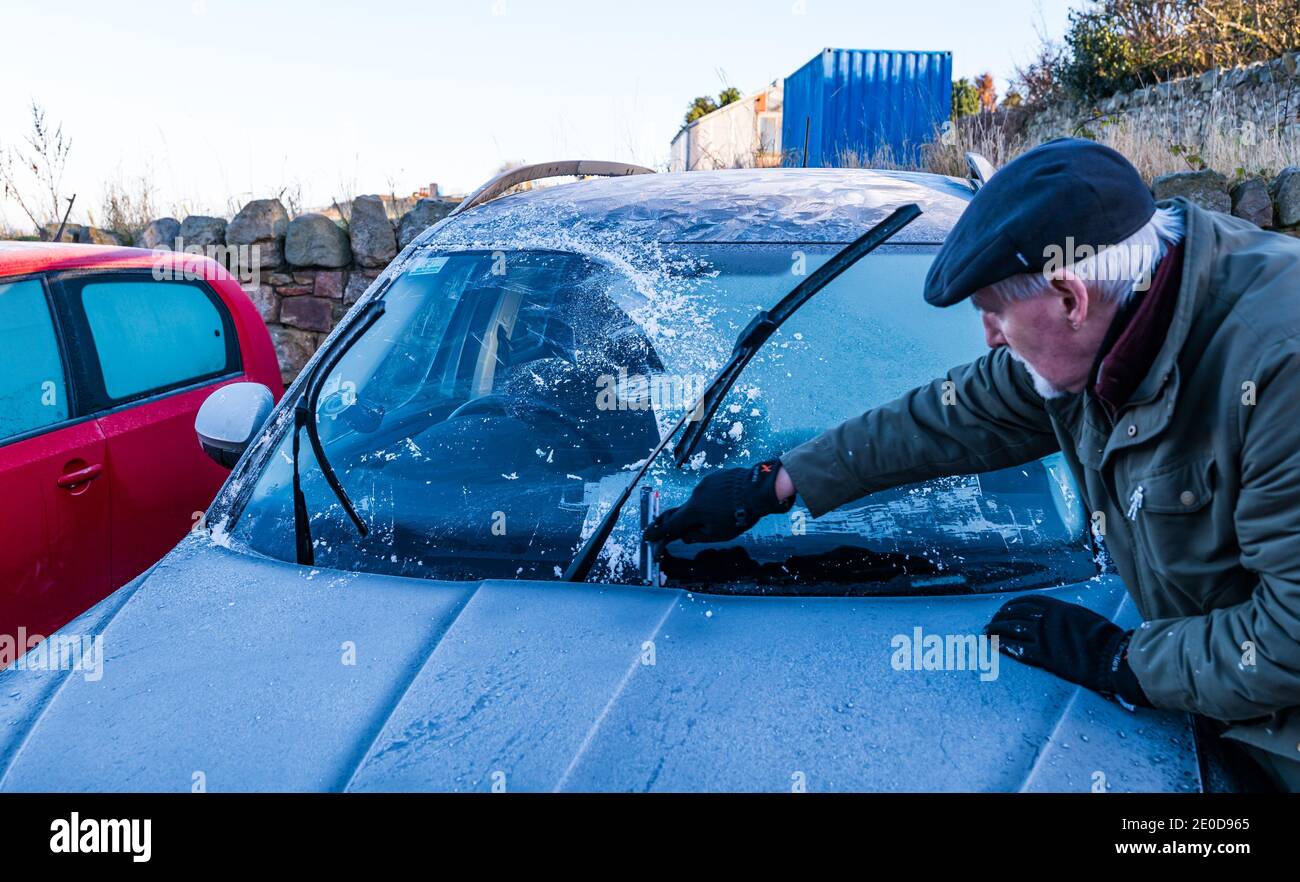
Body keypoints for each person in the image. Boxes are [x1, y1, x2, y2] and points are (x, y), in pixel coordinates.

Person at [646, 138, 1300, 791]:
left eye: (992, 315)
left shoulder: (1278, 370)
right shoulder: (1119, 305)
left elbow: (1287, 641)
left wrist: (1122, 662)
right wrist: (779, 482)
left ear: (1069, 298)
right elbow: (951, 416)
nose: (988, 337)